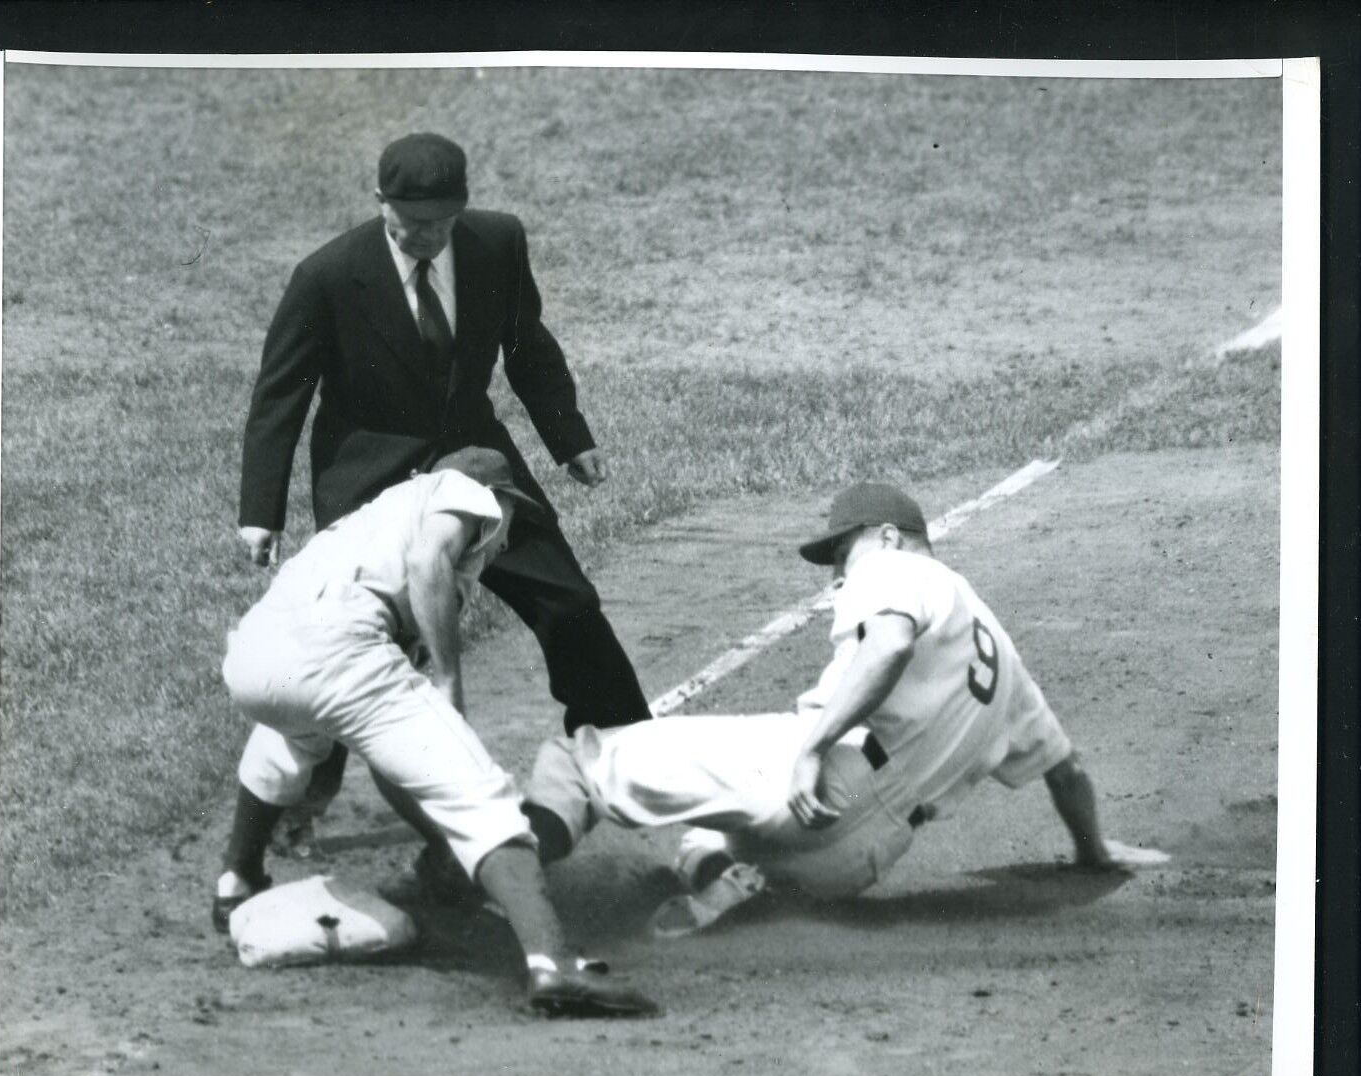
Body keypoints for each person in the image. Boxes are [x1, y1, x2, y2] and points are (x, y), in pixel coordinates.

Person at [236, 133, 650, 848]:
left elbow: (528, 344)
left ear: (461, 207)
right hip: (368, 471)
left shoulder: (495, 243)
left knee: (568, 599)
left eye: (438, 221)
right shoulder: (329, 275)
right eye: (409, 220)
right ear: (380, 201)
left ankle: (632, 752)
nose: (424, 235)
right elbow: (282, 395)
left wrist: (569, 437)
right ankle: (294, 806)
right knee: (357, 643)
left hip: (478, 456)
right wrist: (259, 513)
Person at [524, 480, 1168, 937]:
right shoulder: (1001, 654)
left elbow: (888, 643)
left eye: (842, 552)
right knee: (702, 839)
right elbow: (1067, 768)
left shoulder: (907, 572)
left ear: (888, 537)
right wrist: (1093, 849)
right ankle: (739, 881)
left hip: (816, 779)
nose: (836, 573)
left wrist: (809, 750)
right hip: (856, 862)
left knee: (579, 760)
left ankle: (483, 884)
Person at [213, 446, 657, 1017]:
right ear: (498, 498)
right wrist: (449, 685)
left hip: (255, 656)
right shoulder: (463, 495)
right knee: (480, 793)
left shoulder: (373, 520)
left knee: (294, 737)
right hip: (337, 649)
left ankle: (236, 880)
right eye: (509, 518)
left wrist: (436, 835)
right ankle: (554, 964)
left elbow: (388, 749)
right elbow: (430, 565)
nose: (503, 538)